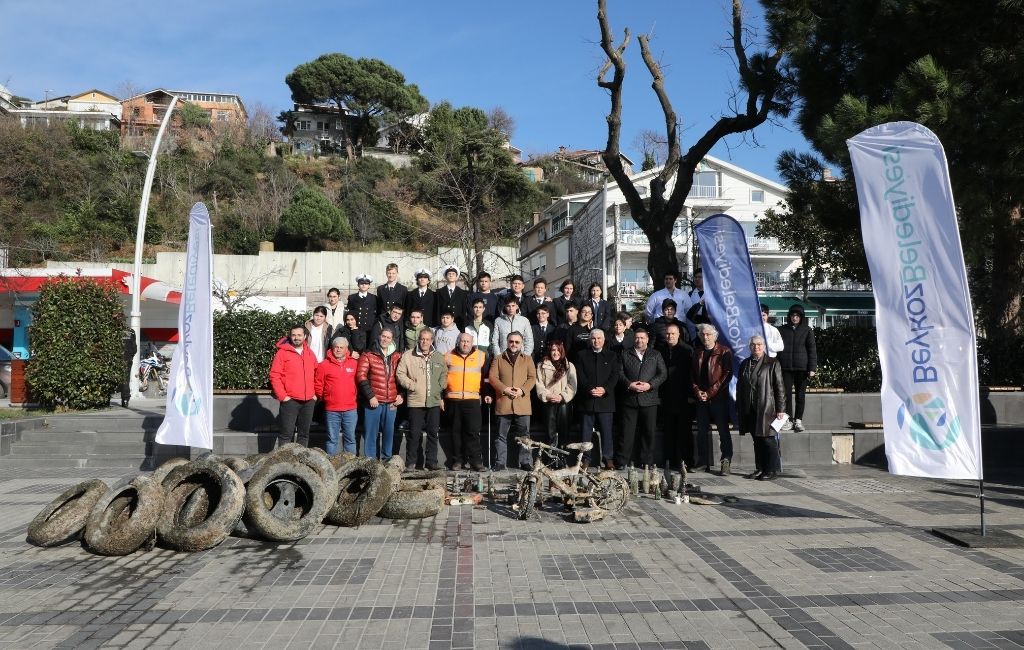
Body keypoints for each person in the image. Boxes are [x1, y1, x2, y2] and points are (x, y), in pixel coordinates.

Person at [396, 328, 447, 471]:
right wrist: (411, 385)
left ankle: (431, 462)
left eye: (427, 339)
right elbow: (400, 374)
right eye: (422, 339)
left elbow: (444, 373)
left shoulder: (438, 356)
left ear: (432, 340)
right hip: (415, 400)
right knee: (414, 433)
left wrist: (440, 386)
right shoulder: (408, 355)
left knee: (432, 433)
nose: (424, 342)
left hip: (434, 400)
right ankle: (411, 462)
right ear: (419, 339)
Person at [737, 335, 786, 480]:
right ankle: (760, 468)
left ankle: (772, 470)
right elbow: (740, 387)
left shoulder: (772, 363)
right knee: (757, 440)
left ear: (764, 346)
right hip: (750, 408)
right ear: (749, 347)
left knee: (768, 440)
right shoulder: (745, 364)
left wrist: (781, 408)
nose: (756, 347)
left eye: (759, 344)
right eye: (753, 345)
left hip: (767, 407)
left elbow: (780, 387)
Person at [617, 326, 667, 469]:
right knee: (626, 432)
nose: (639, 340)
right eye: (637, 338)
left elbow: (662, 374)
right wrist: (629, 384)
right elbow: (619, 373)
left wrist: (650, 385)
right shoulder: (625, 354)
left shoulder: (655, 354)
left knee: (649, 433)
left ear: (647, 339)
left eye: (642, 338)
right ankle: (622, 461)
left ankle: (647, 462)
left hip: (649, 399)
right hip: (630, 398)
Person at [488, 331, 536, 471]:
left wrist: (522, 390)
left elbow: (532, 378)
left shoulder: (527, 359)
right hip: (504, 401)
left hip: (522, 402)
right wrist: (504, 389)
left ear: (521, 344)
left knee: (524, 435)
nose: (513, 344)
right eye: (511, 341)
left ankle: (525, 461)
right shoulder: (498, 359)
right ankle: (500, 462)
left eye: (517, 342)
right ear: (507, 342)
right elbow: (492, 377)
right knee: (501, 435)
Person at [691, 323, 734, 475]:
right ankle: (703, 462)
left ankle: (726, 461)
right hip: (701, 399)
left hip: (718, 398)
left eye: (708, 334)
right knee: (701, 432)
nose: (705, 337)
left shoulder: (723, 351)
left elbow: (726, 375)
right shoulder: (697, 352)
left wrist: (709, 393)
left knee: (723, 431)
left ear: (715, 336)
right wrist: (698, 392)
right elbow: (692, 376)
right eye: (703, 334)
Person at [574, 328, 619, 470]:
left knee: (607, 432)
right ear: (590, 340)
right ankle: (585, 459)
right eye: (593, 338)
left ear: (604, 340)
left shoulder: (612, 355)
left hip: (605, 400)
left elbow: (615, 375)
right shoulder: (581, 355)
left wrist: (604, 389)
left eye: (599, 338)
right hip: (587, 399)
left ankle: (608, 459)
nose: (596, 341)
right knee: (585, 433)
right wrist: (589, 389)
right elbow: (580, 375)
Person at [356, 328, 404, 459]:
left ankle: (386, 460)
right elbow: (361, 376)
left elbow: (403, 377)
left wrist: (401, 394)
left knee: (389, 433)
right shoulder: (368, 355)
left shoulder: (397, 356)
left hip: (391, 403)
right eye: (383, 336)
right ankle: (370, 461)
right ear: (379, 336)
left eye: (388, 337)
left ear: (392, 340)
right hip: (374, 402)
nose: (385, 339)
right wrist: (370, 396)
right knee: (371, 433)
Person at [269, 323, 318, 449]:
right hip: (290, 400)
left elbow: (316, 374)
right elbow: (275, 375)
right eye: (294, 335)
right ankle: (284, 464)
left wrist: (315, 394)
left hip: (308, 401)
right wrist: (283, 396)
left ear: (305, 336)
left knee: (304, 435)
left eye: (299, 335)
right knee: (286, 435)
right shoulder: (282, 353)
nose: (296, 337)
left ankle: (300, 464)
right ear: (290, 336)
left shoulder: (310, 353)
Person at [444, 333, 486, 471]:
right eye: (462, 341)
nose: (465, 344)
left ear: (472, 343)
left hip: (472, 400)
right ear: (458, 342)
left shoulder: (481, 356)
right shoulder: (448, 355)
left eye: (468, 341)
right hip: (453, 399)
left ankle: (476, 462)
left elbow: (485, 378)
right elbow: (441, 377)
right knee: (455, 432)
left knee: (473, 432)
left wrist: (486, 394)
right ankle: (457, 461)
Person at [657, 322, 694, 471]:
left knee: (684, 432)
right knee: (669, 431)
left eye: (673, 334)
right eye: (668, 334)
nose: (670, 336)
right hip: (666, 397)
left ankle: (687, 462)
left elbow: (692, 374)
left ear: (679, 335)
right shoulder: (661, 350)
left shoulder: (687, 350)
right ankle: (669, 461)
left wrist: (691, 395)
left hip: (684, 397)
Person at [314, 337, 359, 454]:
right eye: (336, 347)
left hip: (350, 409)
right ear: (332, 348)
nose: (338, 350)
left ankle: (350, 467)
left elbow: (359, 382)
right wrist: (326, 398)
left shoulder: (354, 364)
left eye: (341, 347)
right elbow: (318, 384)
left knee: (350, 439)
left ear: (346, 349)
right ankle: (331, 467)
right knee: (332, 440)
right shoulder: (324, 365)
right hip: (332, 409)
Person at [778, 304, 817, 432]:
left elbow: (812, 350)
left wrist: (812, 368)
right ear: (789, 316)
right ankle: (788, 420)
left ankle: (798, 420)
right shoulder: (782, 330)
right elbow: (777, 349)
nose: (795, 318)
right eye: (793, 315)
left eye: (797, 316)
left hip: (802, 368)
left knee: (800, 395)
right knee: (786, 395)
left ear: (801, 317)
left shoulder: (807, 330)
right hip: (786, 368)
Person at [535, 340, 576, 453]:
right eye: (553, 350)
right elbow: (539, 384)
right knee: (549, 433)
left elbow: (572, 385)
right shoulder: (541, 365)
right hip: (548, 403)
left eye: (558, 350)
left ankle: (562, 458)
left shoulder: (569, 366)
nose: (556, 353)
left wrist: (562, 396)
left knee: (564, 433)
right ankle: (550, 459)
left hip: (563, 403)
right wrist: (547, 395)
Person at [491, 293, 534, 358]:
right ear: (505, 306)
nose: (511, 308)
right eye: (508, 306)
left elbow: (529, 340)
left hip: (520, 356)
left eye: (513, 305)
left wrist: (525, 356)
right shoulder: (498, 320)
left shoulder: (524, 321)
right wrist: (498, 356)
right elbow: (494, 340)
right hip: (503, 356)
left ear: (517, 306)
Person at [435, 264, 468, 329]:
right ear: (445, 277)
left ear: (456, 277)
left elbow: (463, 312)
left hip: (458, 324)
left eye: (453, 274)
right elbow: (437, 310)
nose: (451, 275)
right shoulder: (439, 292)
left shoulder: (462, 293)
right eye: (449, 274)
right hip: (443, 324)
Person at [684, 270, 709, 339]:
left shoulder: (711, 294)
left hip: (707, 323)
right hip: (692, 323)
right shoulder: (689, 294)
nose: (697, 279)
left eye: (700, 277)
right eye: (695, 277)